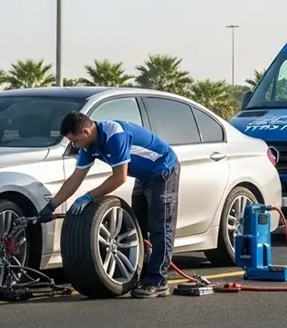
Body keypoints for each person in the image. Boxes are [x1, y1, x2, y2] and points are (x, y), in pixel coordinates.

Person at [38, 111, 180, 299]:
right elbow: (76, 178)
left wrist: (89, 197)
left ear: (86, 132)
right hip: (144, 176)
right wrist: (51, 206)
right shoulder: (89, 147)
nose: (74, 145)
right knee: (139, 227)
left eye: (75, 141)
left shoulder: (115, 134)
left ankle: (158, 281)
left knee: (159, 228)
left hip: (163, 170)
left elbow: (119, 177)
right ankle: (145, 276)